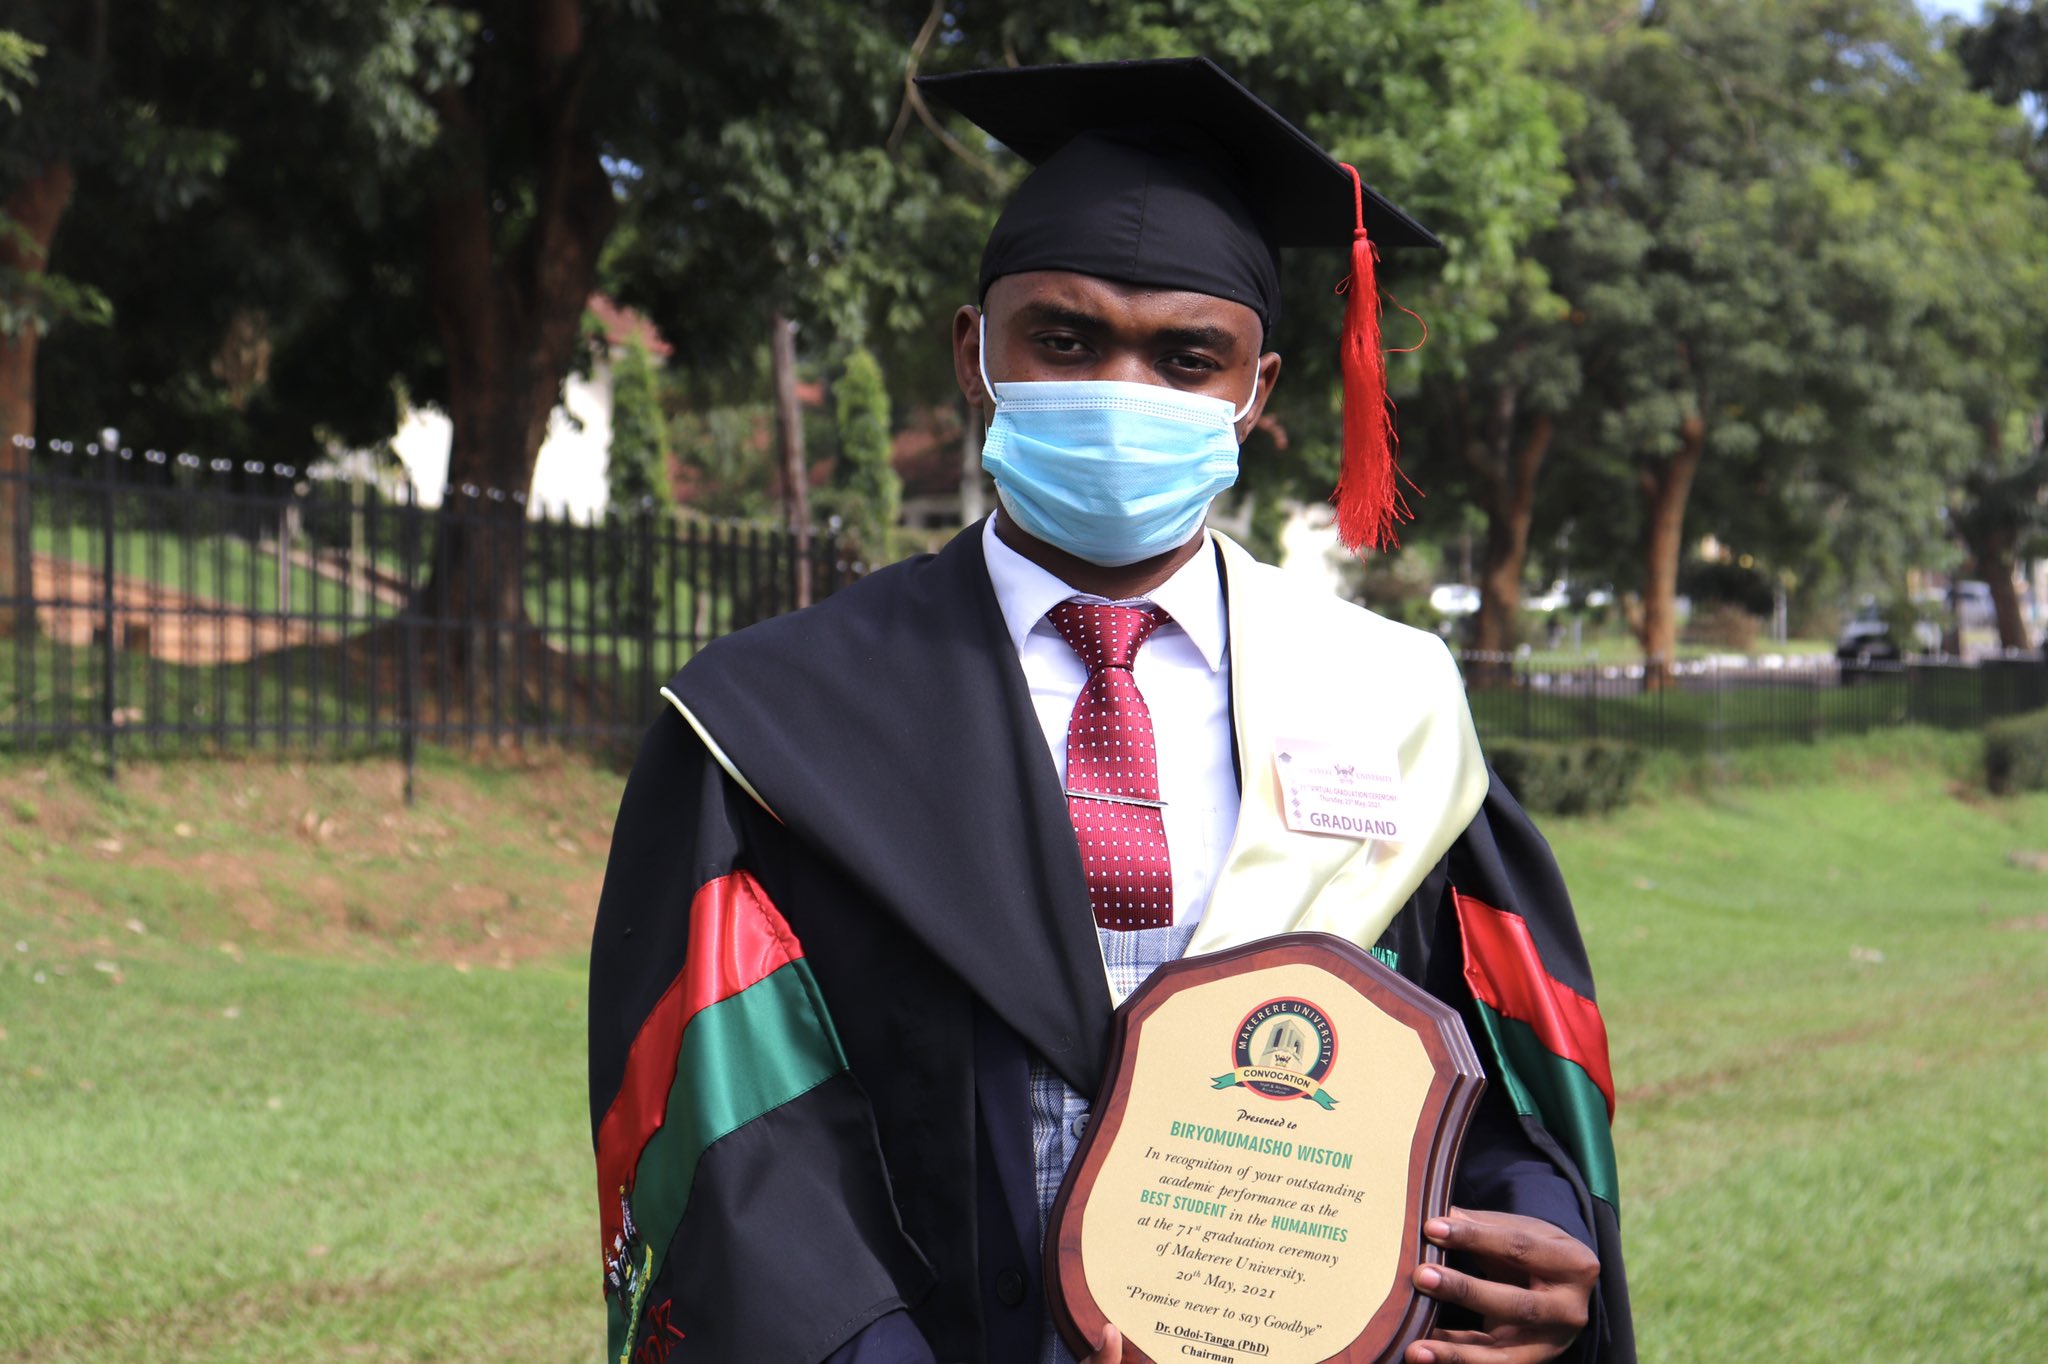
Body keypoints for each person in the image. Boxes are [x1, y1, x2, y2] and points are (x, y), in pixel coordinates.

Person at [589, 57, 1633, 1364]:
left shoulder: (1392, 708)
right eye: (1066, 340)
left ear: (1257, 397)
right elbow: (733, 1127)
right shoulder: (775, 723)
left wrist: (1522, 1215)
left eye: (1188, 356)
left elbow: (1472, 1066)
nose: (1125, 390)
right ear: (975, 353)